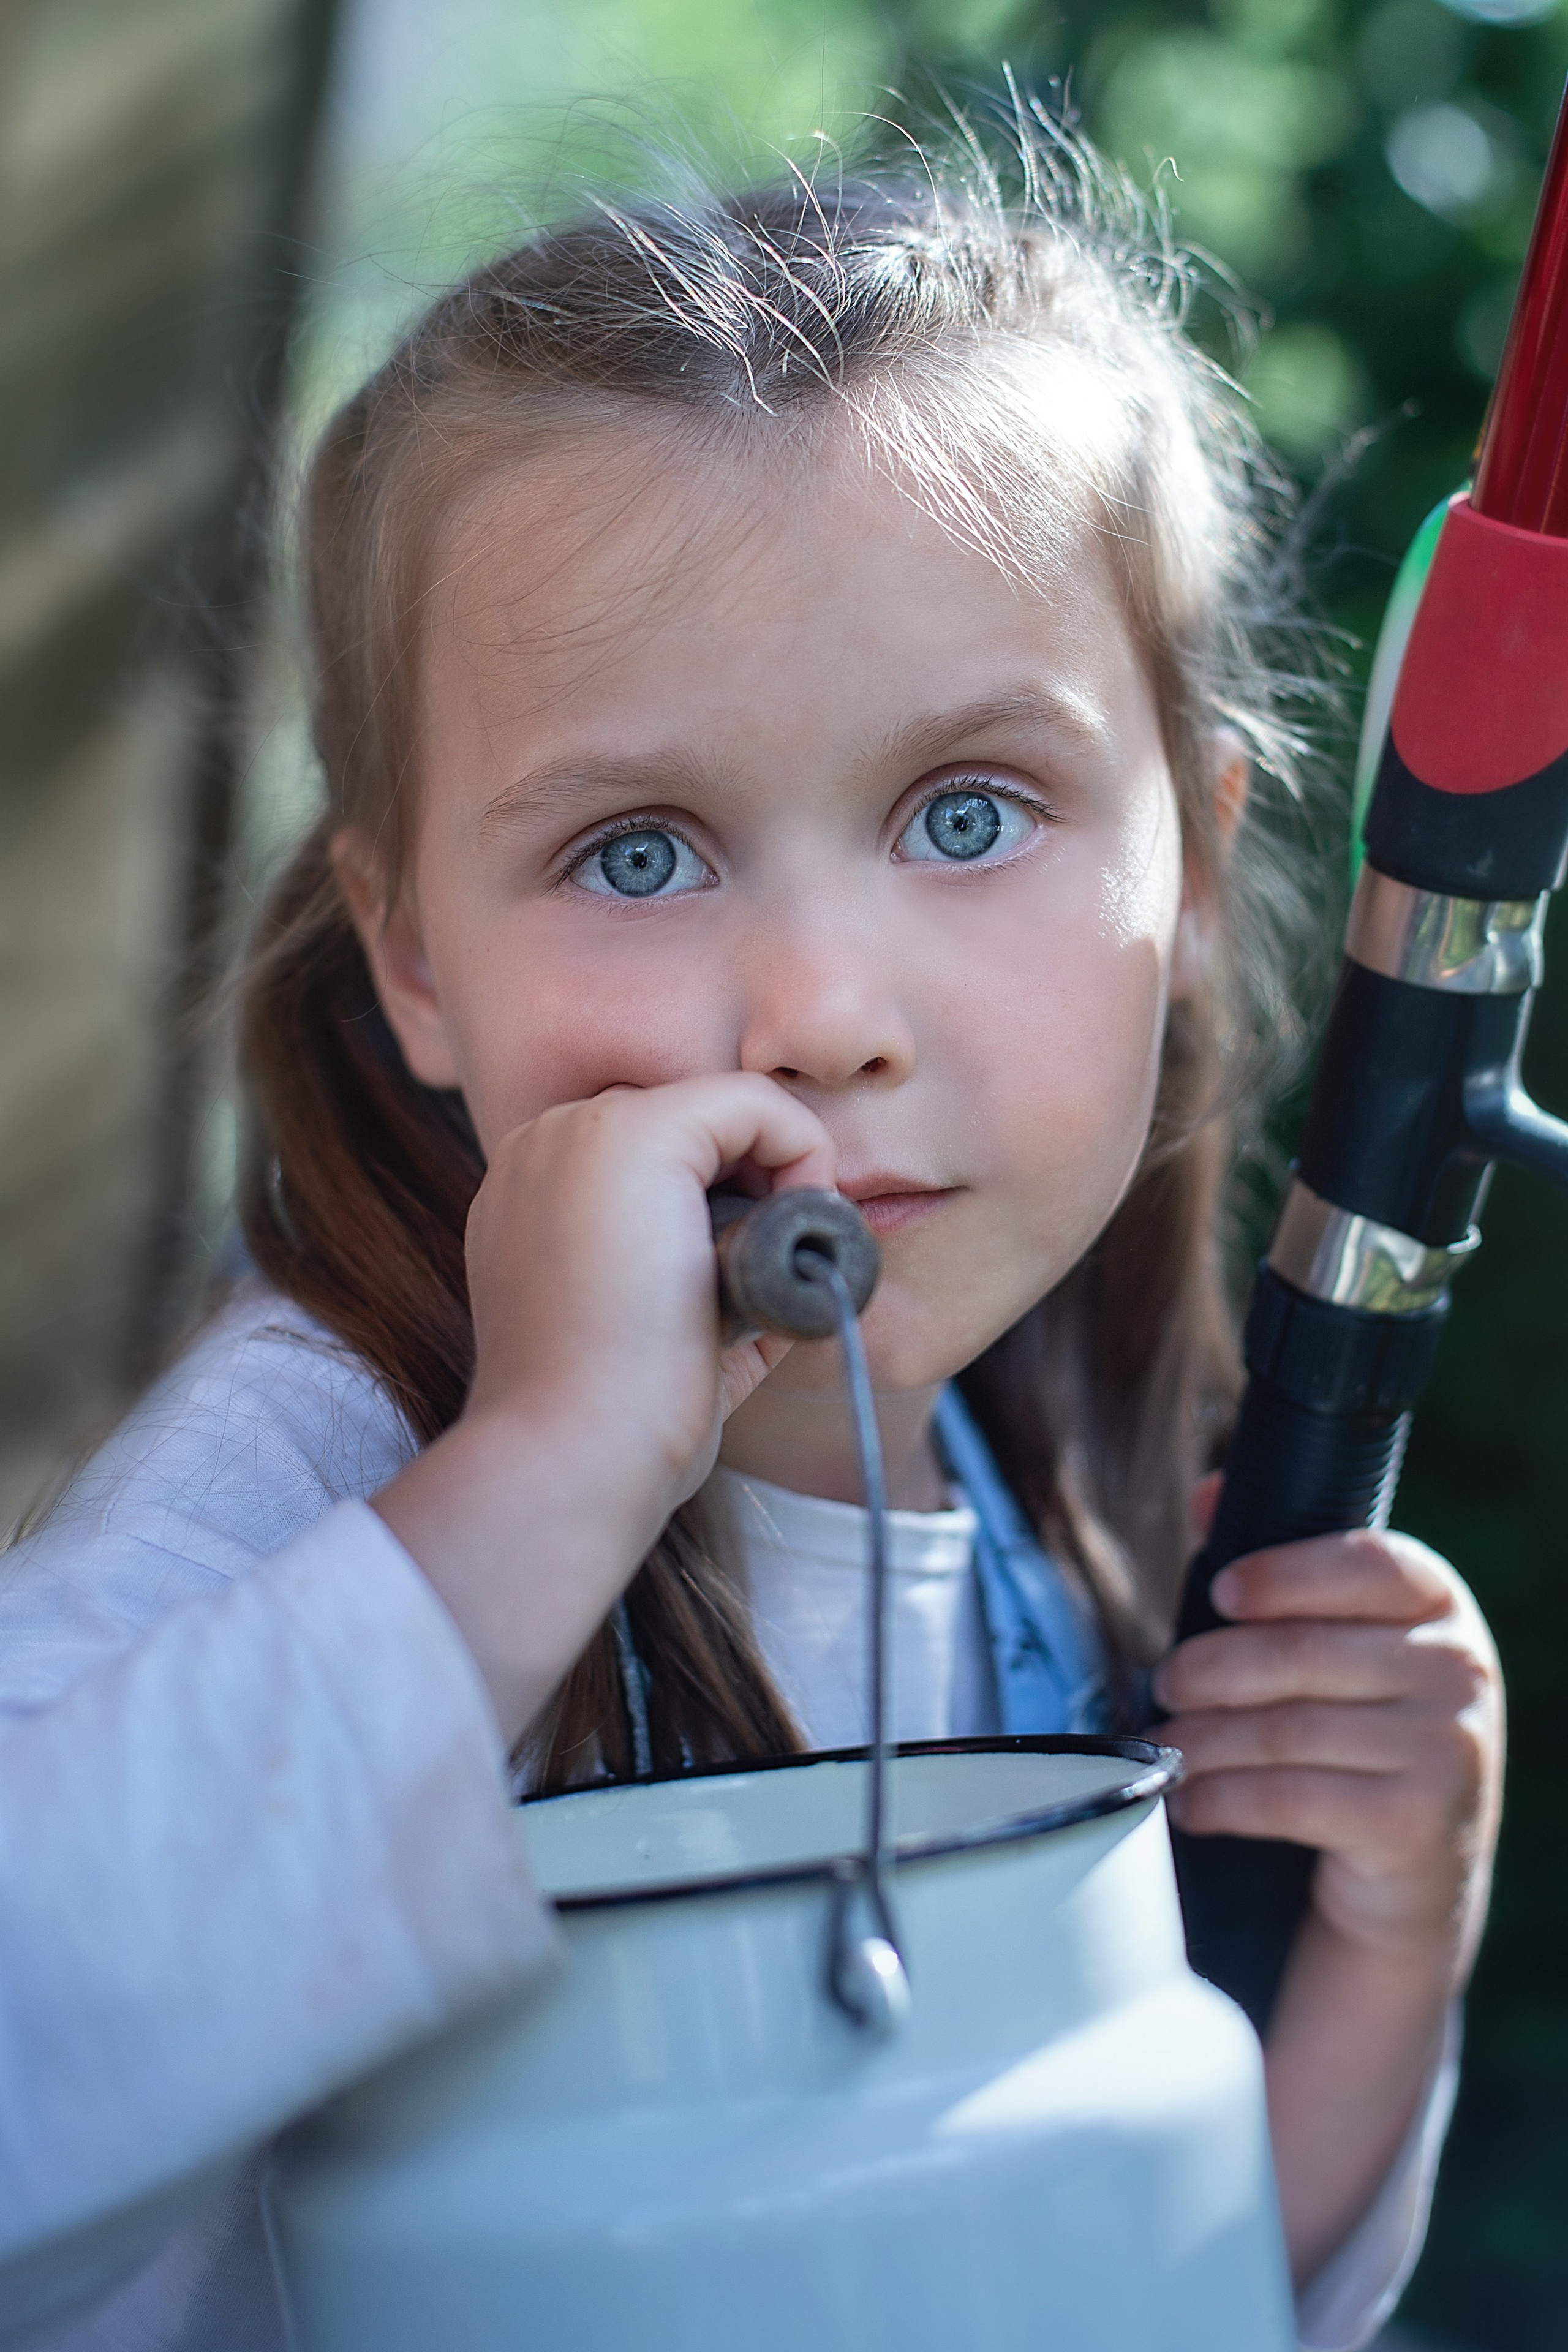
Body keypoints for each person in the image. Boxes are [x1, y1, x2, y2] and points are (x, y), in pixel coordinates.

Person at [0, 121, 1501, 2352]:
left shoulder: (1041, 1473)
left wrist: (1388, 1946)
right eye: (636, 854)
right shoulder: (325, 1465)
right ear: (413, 956)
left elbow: (1119, 2273)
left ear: (1187, 870)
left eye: (967, 815)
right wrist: (532, 1492)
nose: (819, 1015)